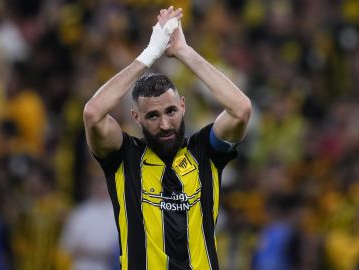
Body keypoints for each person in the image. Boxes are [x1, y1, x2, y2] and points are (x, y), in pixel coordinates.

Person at [83, 6, 251, 270]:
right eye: (152, 116)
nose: (165, 124)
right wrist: (149, 54)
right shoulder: (125, 158)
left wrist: (183, 52)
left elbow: (241, 109)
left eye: (171, 111)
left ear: (183, 106)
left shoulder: (204, 152)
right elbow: (93, 113)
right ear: (136, 117)